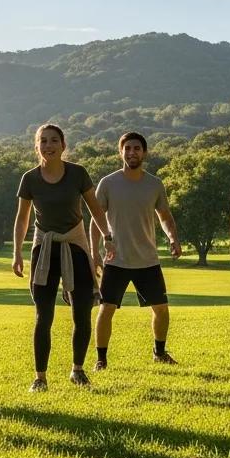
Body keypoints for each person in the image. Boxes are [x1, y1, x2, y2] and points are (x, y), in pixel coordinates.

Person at [12, 124, 114, 391]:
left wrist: (107, 236)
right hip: (44, 249)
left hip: (75, 246)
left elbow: (95, 208)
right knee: (42, 316)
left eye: (54, 140)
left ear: (63, 145)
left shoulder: (78, 173)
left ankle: (77, 370)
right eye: (43, 141)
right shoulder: (30, 179)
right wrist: (17, 254)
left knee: (82, 313)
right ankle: (40, 377)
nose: (48, 145)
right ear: (37, 146)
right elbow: (22, 219)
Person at [89, 132, 182, 371]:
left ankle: (159, 353)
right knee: (106, 308)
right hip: (116, 259)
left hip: (147, 260)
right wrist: (94, 251)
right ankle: (101, 359)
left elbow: (165, 216)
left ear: (144, 152)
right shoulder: (108, 183)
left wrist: (173, 238)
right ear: (120, 152)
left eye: (137, 148)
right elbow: (96, 219)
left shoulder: (154, 184)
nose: (132, 152)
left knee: (161, 309)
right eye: (127, 148)